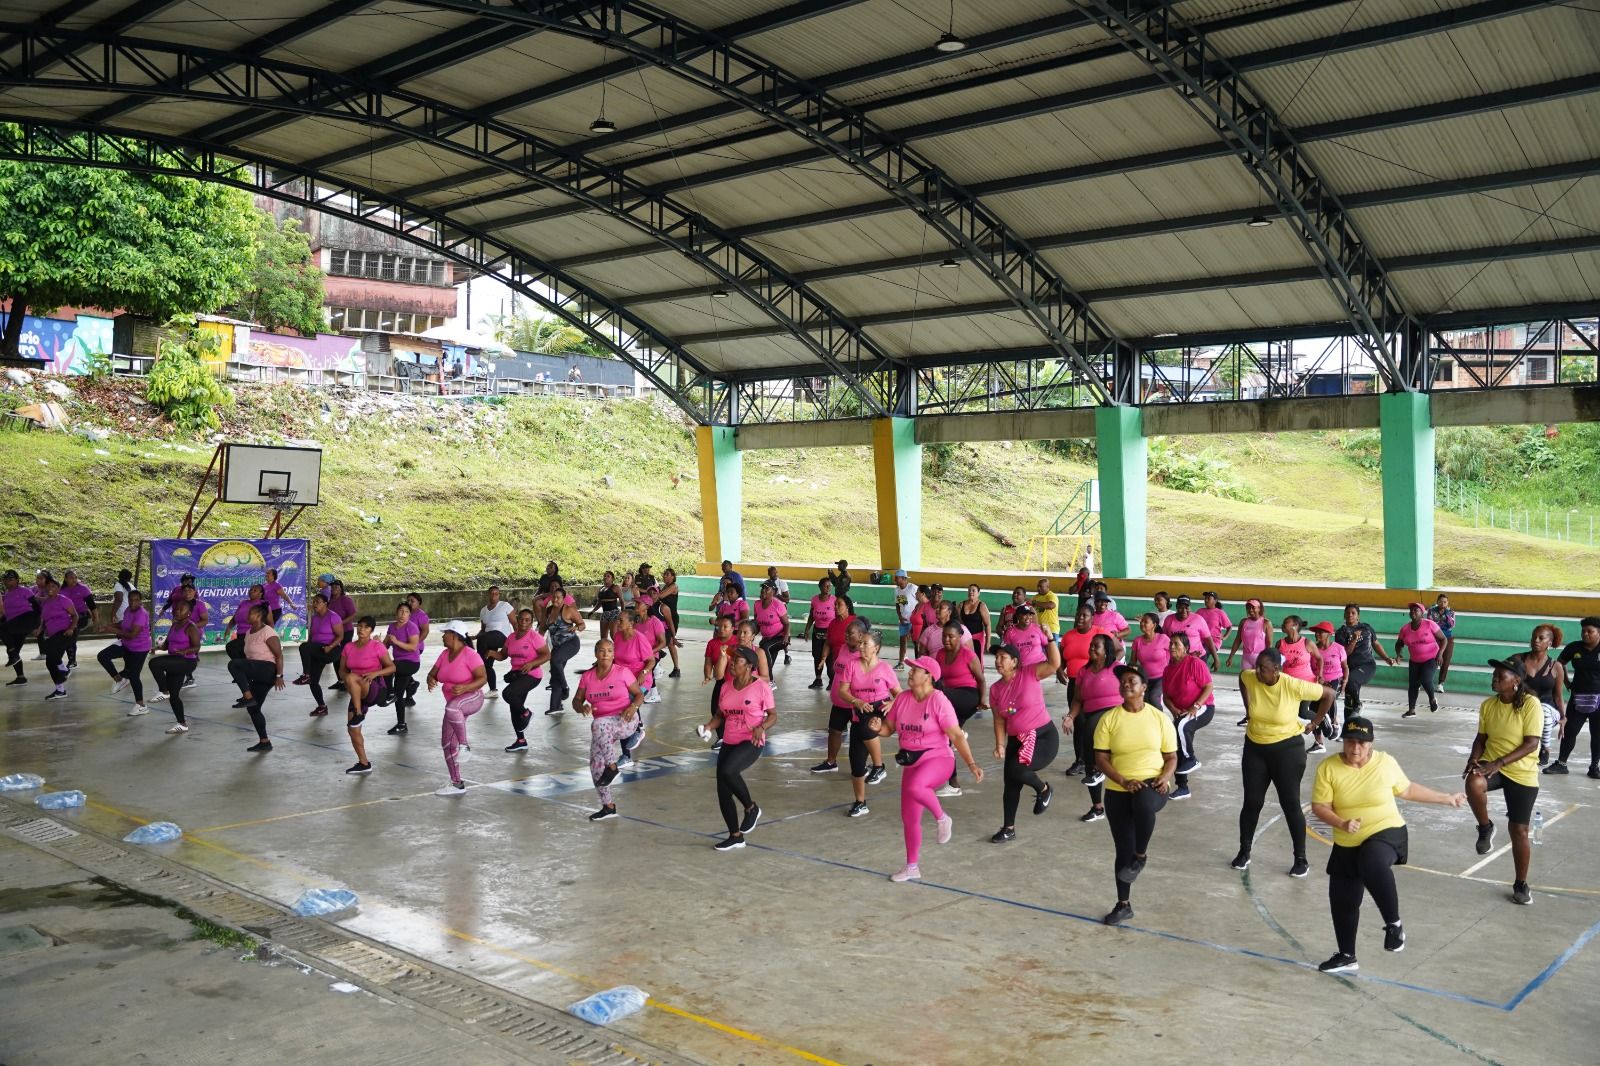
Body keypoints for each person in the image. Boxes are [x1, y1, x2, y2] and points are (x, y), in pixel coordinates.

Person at [1311, 717, 1466, 974]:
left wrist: (1446, 799)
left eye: (1362, 743)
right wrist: (1341, 822)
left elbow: (1406, 790)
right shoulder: (1329, 768)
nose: (1356, 748)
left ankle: (1394, 925)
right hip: (1347, 838)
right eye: (1350, 742)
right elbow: (1320, 807)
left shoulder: (1385, 762)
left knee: (1371, 862)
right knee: (1342, 900)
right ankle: (1347, 955)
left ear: (1371, 744)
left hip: (1387, 830)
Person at [867, 656, 984, 882]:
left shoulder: (938, 701)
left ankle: (942, 818)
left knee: (916, 786)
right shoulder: (902, 699)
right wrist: (877, 727)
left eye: (915, 670)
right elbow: (889, 728)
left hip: (938, 758)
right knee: (909, 817)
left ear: (929, 676)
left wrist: (971, 763)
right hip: (912, 761)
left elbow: (957, 735)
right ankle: (912, 867)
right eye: (910, 669)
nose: (909, 673)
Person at [1235, 649, 1335, 876]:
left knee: (1290, 804)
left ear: (1276, 670)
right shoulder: (1251, 677)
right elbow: (1242, 677)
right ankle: (1244, 852)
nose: (1257, 671)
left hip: (1287, 750)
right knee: (1251, 802)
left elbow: (1328, 694)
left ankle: (1301, 859)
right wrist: (1248, 708)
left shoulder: (1292, 685)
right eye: (1257, 666)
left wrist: (1315, 722)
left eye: (1263, 668)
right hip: (1255, 748)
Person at [1094, 664, 1178, 926]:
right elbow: (1101, 758)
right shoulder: (1109, 719)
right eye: (1123, 682)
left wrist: (1165, 777)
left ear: (1144, 688)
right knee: (1122, 850)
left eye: (1132, 681)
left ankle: (1141, 856)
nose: (1126, 684)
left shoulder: (1159, 719)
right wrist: (1122, 780)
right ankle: (1123, 905)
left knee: (1143, 803)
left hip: (1153, 785)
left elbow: (1171, 757)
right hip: (1119, 789)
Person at [1465, 659, 1543, 906]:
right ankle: (1485, 827)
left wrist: (1497, 763)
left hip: (1521, 772)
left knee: (1518, 830)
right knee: (1473, 782)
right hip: (1492, 763)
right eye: (1494, 676)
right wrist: (1474, 759)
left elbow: (1531, 743)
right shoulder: (1488, 705)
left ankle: (1521, 883)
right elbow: (1481, 738)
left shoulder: (1531, 705)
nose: (1494, 679)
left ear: (1516, 681)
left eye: (1500, 676)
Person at [988, 640, 1062, 842]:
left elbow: (1054, 664)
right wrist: (1000, 745)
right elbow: (999, 719)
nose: (998, 661)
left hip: (1043, 737)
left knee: (1017, 770)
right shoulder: (995, 690)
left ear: (1015, 661)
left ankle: (1044, 789)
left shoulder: (1029, 673)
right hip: (1015, 740)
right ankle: (1008, 828)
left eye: (1002, 657)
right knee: (1010, 783)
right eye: (996, 658)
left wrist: (1050, 640)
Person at [704, 646, 776, 851]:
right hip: (729, 740)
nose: (732, 663)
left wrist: (761, 728)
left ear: (749, 667)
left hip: (751, 741)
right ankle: (735, 836)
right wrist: (709, 726)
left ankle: (751, 808)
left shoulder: (761, 687)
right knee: (723, 790)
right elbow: (721, 714)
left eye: (737, 660)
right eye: (732, 659)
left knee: (729, 771)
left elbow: (773, 715)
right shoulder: (726, 686)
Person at [573, 638, 643, 821]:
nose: (606, 654)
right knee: (596, 765)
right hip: (603, 729)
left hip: (625, 720)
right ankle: (608, 806)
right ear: (596, 654)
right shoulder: (588, 676)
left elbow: (639, 694)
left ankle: (612, 767)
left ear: (614, 654)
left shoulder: (622, 672)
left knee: (597, 725)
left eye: (610, 651)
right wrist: (582, 707)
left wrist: (633, 707)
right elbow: (576, 701)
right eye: (602, 651)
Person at [841, 629, 901, 817]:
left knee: (869, 726)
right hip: (859, 711)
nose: (860, 646)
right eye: (860, 643)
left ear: (876, 648)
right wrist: (855, 701)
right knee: (856, 763)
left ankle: (879, 766)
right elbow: (843, 691)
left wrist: (892, 703)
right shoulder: (851, 665)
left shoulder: (885, 669)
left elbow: (899, 693)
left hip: (879, 710)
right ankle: (860, 802)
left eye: (865, 643)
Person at [1065, 634, 1122, 822]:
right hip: (1092, 717)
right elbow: (1078, 700)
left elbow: (1134, 690)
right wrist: (1070, 716)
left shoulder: (1118, 669)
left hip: (1115, 714)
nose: (1091, 649)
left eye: (1096, 646)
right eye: (1091, 645)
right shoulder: (1083, 672)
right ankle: (1097, 807)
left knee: (1091, 726)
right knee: (1086, 729)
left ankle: (1097, 769)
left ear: (1107, 651)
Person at [426, 621, 488, 796]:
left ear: (454, 635)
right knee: (446, 744)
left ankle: (465, 746)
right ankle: (457, 783)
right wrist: (430, 679)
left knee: (452, 708)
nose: (443, 636)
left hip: (472, 697)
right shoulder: (444, 654)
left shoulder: (470, 654)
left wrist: (465, 688)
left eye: (445, 633)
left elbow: (483, 678)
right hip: (453, 705)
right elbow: (433, 673)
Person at [935, 621, 987, 796]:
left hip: (968, 697)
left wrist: (984, 699)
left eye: (951, 636)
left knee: (938, 691)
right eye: (944, 636)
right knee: (946, 739)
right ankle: (953, 783)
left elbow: (981, 679)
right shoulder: (940, 654)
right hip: (950, 701)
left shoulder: (968, 655)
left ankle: (960, 734)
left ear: (959, 637)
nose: (947, 639)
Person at [812, 613, 866, 775]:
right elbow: (837, 669)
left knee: (860, 738)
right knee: (834, 731)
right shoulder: (843, 648)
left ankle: (862, 766)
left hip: (854, 704)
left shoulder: (864, 656)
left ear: (861, 636)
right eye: (846, 633)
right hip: (839, 703)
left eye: (851, 633)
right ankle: (831, 762)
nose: (847, 636)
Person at [1162, 632, 1214, 800]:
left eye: (1176, 644)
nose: (1172, 647)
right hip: (1182, 711)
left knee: (1181, 726)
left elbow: (1208, 687)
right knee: (1173, 742)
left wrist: (1195, 706)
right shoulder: (1168, 669)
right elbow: (1166, 696)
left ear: (1186, 648)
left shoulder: (1194, 663)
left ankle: (1191, 759)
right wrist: (1174, 709)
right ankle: (1183, 787)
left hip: (1203, 707)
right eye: (1171, 643)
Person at [341, 617, 395, 775]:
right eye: (360, 626)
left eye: (366, 627)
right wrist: (345, 679)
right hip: (356, 692)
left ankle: (358, 713)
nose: (361, 630)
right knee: (352, 729)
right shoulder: (348, 647)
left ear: (371, 630)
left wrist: (375, 673)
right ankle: (364, 763)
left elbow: (392, 667)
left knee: (352, 677)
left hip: (375, 688)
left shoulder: (377, 646)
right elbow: (342, 671)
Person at [227, 602, 283, 752]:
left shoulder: (268, 632)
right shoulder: (249, 632)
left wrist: (279, 676)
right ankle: (264, 742)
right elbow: (249, 656)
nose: (247, 615)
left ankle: (247, 696)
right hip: (257, 672)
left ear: (258, 616)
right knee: (254, 709)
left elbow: (279, 655)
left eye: (250, 613)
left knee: (234, 664)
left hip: (267, 669)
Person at [1550, 617, 1600, 778]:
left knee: (1597, 733)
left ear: (1599, 633)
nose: (1585, 634)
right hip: (1578, 695)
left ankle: (1594, 767)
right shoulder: (1574, 647)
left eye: (1590, 631)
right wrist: (1566, 682)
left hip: (1599, 698)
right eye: (1583, 631)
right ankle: (1561, 764)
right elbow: (1559, 664)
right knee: (1570, 731)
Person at [1509, 624, 1565, 765]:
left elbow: (1558, 696)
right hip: (1524, 706)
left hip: (1548, 711)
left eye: (1541, 638)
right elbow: (1503, 675)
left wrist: (1563, 718)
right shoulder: (1518, 659)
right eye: (1534, 637)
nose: (1536, 640)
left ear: (1549, 643)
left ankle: (1545, 748)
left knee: (1543, 711)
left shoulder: (1556, 666)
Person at [501, 608, 551, 753]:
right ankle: (521, 741)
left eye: (527, 620)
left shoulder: (534, 637)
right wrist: (491, 654)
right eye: (521, 619)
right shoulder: (511, 637)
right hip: (516, 675)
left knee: (508, 694)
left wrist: (531, 664)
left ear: (531, 622)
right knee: (513, 707)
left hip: (532, 675)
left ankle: (527, 713)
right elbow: (503, 655)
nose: (523, 622)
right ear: (517, 620)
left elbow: (546, 655)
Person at [148, 599, 202, 734]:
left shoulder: (191, 627)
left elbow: (197, 646)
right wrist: (158, 647)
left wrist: (185, 651)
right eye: (176, 609)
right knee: (174, 696)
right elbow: (167, 644)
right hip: (175, 662)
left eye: (181, 609)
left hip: (186, 662)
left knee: (154, 663)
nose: (177, 611)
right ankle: (182, 724)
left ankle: (163, 690)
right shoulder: (174, 625)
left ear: (189, 613)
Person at [1334, 604, 1394, 719]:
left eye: (1353, 613)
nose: (1350, 615)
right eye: (1347, 613)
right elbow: (1345, 653)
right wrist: (1354, 640)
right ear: (1344, 615)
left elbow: (1376, 644)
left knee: (1351, 681)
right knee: (1348, 700)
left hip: (1367, 665)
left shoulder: (1366, 628)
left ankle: (1358, 704)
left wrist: (1386, 658)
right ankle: (1348, 731)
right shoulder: (1341, 632)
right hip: (1350, 667)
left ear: (1358, 616)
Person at [100, 588, 152, 716]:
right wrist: (110, 625)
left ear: (140, 601)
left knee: (134, 676)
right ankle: (120, 679)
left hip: (140, 648)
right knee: (103, 656)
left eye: (136, 600)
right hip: (126, 645)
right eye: (131, 600)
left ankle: (141, 706)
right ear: (128, 600)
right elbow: (123, 624)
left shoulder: (142, 614)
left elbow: (132, 635)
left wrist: (110, 630)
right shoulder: (128, 610)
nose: (133, 603)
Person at [540, 581, 585, 714]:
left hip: (571, 643)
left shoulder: (569, 610)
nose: (555, 599)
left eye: (558, 597)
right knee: (555, 673)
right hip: (557, 646)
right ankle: (556, 706)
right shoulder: (548, 611)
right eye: (554, 597)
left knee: (555, 661)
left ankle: (565, 687)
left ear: (563, 599)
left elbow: (582, 625)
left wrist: (576, 627)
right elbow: (542, 628)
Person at [1394, 602, 1446, 718]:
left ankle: (1432, 699)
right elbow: (1399, 644)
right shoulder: (1405, 629)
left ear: (1422, 614)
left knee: (1425, 679)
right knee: (1413, 685)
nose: (1413, 612)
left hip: (1431, 658)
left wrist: (1440, 654)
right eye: (1411, 610)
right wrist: (1399, 654)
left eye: (1416, 610)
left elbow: (1443, 639)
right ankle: (1411, 710)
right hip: (1415, 661)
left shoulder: (1429, 624)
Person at [295, 593, 344, 717]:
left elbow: (340, 636)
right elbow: (312, 636)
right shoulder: (315, 617)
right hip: (317, 650)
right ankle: (322, 707)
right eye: (313, 601)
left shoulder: (333, 617)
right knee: (314, 681)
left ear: (325, 604)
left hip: (331, 650)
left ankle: (305, 675)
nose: (314, 604)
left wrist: (330, 646)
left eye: (317, 601)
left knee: (303, 647)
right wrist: (309, 647)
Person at [223, 585, 268, 709]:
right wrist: (228, 628)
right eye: (251, 589)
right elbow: (234, 618)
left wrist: (266, 637)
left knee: (232, 648)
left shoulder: (263, 605)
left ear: (260, 594)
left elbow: (270, 623)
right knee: (233, 649)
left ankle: (249, 689)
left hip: (254, 635)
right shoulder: (243, 603)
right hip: (241, 635)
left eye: (255, 590)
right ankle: (248, 692)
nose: (251, 591)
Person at [383, 601, 422, 735]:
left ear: (409, 615)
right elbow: (385, 647)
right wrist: (377, 643)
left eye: (406, 612)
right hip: (399, 664)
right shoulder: (392, 627)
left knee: (388, 667)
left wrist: (396, 642)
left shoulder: (411, 627)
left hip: (411, 663)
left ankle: (390, 692)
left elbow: (413, 647)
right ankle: (401, 725)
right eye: (400, 611)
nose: (402, 614)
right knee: (400, 696)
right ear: (396, 612)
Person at [1308, 622, 1348, 752]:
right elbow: (1308, 668)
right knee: (1313, 709)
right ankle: (1318, 742)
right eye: (1316, 632)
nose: (1317, 634)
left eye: (1321, 632)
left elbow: (1345, 666)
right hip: (1317, 680)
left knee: (1329, 696)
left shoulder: (1338, 648)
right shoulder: (1313, 649)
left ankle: (1334, 721)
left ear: (1329, 634)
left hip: (1335, 679)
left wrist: (1345, 680)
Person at [35, 578, 75, 701]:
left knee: (48, 647)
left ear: (58, 588)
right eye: (48, 586)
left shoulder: (63, 600)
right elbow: (44, 620)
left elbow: (75, 615)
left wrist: (71, 628)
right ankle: (60, 690)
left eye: (53, 586)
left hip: (65, 633)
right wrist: (39, 629)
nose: (50, 588)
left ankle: (64, 669)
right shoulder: (45, 603)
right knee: (49, 662)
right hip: (53, 635)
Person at [475, 585, 515, 698]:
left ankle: (478, 669)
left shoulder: (505, 606)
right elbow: (483, 630)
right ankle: (493, 690)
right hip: (488, 639)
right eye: (492, 593)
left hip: (502, 636)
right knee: (487, 664)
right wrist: (475, 636)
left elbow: (515, 623)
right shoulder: (483, 611)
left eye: (496, 593)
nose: (494, 595)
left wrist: (518, 639)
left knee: (484, 640)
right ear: (488, 594)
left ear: (499, 595)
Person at [802, 577, 839, 690]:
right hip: (817, 632)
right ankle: (818, 679)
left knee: (829, 658)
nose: (828, 588)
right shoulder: (814, 600)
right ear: (820, 586)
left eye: (830, 586)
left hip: (830, 633)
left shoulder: (834, 600)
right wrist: (807, 629)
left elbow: (838, 616)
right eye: (826, 586)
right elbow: (812, 616)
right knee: (817, 656)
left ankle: (832, 681)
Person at [2, 569, 37, 685]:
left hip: (26, 618)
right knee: (13, 651)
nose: (8, 582)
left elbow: (37, 607)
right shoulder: (6, 595)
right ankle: (21, 677)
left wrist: (39, 624)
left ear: (17, 580)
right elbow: (6, 614)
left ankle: (13, 654)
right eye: (5, 580)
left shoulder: (24, 591)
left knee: (3, 629)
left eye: (11, 579)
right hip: (15, 623)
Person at [1163, 596, 1218, 669]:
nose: (1184, 610)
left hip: (1197, 658)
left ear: (1190, 608)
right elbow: (1164, 638)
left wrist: (1216, 658)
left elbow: (1208, 639)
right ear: (1176, 607)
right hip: (1176, 658)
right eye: (1181, 607)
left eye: (1187, 607)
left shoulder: (1198, 619)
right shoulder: (1169, 619)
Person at [1129, 613, 1169, 709]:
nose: (1142, 623)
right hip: (1144, 678)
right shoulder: (1137, 641)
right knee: (1145, 704)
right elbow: (1132, 662)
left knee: (1154, 697)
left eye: (1145, 622)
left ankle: (1161, 721)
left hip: (1161, 677)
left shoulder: (1163, 639)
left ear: (1154, 625)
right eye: (1141, 621)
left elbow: (1175, 654)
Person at [59, 570, 95, 670]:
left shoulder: (83, 589)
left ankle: (72, 661)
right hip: (66, 618)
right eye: (71, 578)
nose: (74, 580)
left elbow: (92, 605)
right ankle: (67, 660)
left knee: (72, 633)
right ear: (65, 579)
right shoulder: (61, 590)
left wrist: (96, 619)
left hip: (81, 617)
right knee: (66, 637)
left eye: (75, 577)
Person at [1226, 598, 1273, 673]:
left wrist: (1266, 659)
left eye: (1253, 607)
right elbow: (1238, 640)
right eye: (1248, 608)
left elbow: (1269, 643)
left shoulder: (1266, 623)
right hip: (1246, 658)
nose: (1250, 610)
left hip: (1260, 658)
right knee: (1246, 681)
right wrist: (1231, 656)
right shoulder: (1243, 622)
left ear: (1259, 608)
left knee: (1258, 681)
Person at [326, 580, 357, 690]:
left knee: (345, 657)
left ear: (341, 588)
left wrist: (341, 623)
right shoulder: (330, 601)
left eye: (336, 586)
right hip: (334, 633)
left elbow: (353, 614)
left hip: (346, 631)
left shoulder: (345, 600)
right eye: (332, 586)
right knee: (336, 656)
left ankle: (348, 681)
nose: (334, 588)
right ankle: (340, 681)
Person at [753, 583, 790, 670]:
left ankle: (771, 680)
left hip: (780, 637)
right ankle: (767, 679)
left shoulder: (778, 605)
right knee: (765, 661)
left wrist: (786, 637)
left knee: (765, 648)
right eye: (762, 588)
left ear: (774, 591)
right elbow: (757, 623)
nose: (763, 590)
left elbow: (787, 623)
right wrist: (751, 634)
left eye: (767, 589)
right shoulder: (757, 604)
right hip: (767, 639)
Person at [657, 567, 684, 677]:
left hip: (672, 617)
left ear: (673, 577)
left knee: (670, 642)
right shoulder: (665, 586)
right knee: (668, 642)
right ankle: (675, 667)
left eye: (667, 574)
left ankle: (676, 668)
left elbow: (660, 596)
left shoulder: (673, 586)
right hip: (663, 617)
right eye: (664, 574)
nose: (664, 576)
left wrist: (646, 591)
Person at [1427, 594, 1458, 690]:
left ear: (1447, 603)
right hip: (1434, 638)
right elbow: (1430, 624)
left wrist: (1447, 614)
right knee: (1430, 661)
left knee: (1446, 661)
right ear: (1437, 602)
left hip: (1448, 638)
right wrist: (1441, 625)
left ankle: (1441, 684)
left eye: (1445, 602)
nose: (1442, 604)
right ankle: (1423, 681)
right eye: (1440, 601)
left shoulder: (1451, 612)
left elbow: (1452, 625)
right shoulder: (1431, 611)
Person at [956, 584, 991, 661]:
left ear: (978, 593)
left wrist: (988, 642)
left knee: (977, 659)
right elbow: (957, 621)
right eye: (969, 590)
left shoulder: (982, 606)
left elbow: (987, 625)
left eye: (973, 590)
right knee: (964, 659)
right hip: (965, 637)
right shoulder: (961, 605)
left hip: (978, 638)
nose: (971, 592)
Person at [892, 569, 918, 661]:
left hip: (914, 621)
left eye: (896, 578)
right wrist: (900, 617)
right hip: (904, 621)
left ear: (903, 578)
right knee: (902, 642)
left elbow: (920, 603)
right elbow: (898, 605)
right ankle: (901, 662)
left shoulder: (913, 588)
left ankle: (918, 662)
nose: (894, 579)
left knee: (916, 643)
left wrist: (915, 618)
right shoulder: (897, 590)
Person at [593, 571, 622, 642]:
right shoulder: (601, 589)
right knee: (603, 637)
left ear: (612, 579)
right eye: (604, 576)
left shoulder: (615, 587)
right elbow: (599, 602)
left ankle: (620, 648)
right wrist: (593, 611)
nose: (605, 577)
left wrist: (623, 613)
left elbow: (622, 601)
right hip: (605, 613)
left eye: (608, 576)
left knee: (613, 634)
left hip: (614, 613)